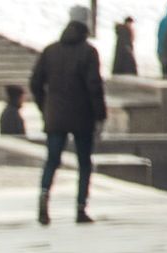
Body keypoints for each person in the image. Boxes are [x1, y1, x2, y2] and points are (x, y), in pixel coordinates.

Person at [30, 5, 106, 225]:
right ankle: (81, 208)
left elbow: (35, 83)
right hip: (83, 116)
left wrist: (45, 107)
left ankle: (44, 196)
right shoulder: (88, 52)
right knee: (84, 163)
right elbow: (94, 86)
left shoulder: (51, 50)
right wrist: (100, 115)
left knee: (52, 160)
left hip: (55, 115)